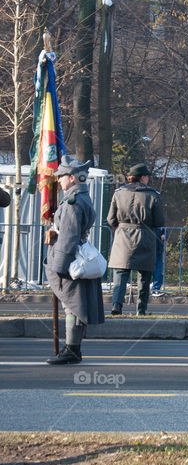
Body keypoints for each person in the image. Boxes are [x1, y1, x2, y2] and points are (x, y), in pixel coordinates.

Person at [45, 156, 105, 365]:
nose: (59, 180)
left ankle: (72, 349)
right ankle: (73, 348)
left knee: (72, 306)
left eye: (62, 176)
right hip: (77, 255)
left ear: (72, 178)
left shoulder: (73, 202)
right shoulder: (79, 198)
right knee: (75, 305)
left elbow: (69, 236)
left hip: (70, 258)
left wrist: (59, 266)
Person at [107, 163, 164, 316]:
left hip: (123, 237)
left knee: (120, 274)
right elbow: (159, 221)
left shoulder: (118, 193)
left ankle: (116, 305)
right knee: (144, 276)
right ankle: (141, 309)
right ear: (144, 177)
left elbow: (111, 219)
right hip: (145, 236)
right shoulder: (153, 195)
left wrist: (121, 227)